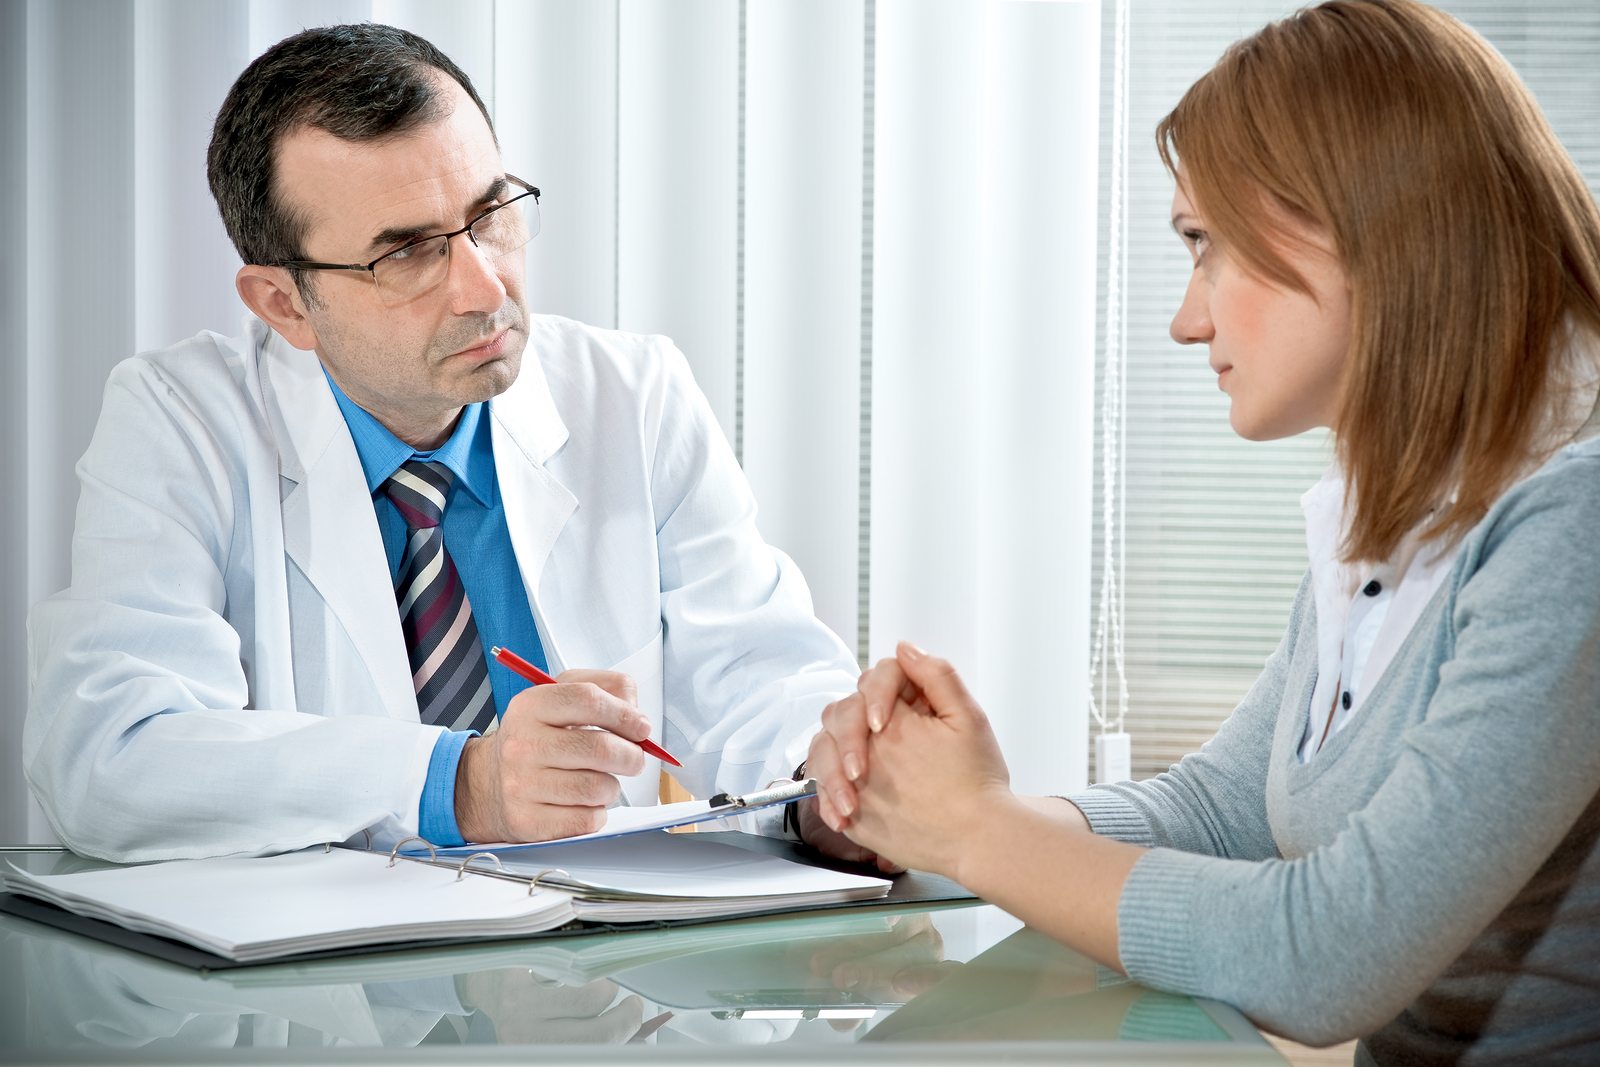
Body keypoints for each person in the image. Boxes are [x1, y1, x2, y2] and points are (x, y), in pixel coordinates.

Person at [807, 0, 1600, 1061]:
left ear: (1365, 223)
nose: (1187, 316)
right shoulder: (1404, 502)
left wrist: (972, 829)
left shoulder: (1572, 516)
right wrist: (928, 811)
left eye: (1204, 244)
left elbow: (1331, 955)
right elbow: (1225, 808)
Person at [24, 23, 872, 866]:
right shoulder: (182, 421)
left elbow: (760, 678)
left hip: (604, 977)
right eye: (408, 252)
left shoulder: (632, 394)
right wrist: (462, 785)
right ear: (283, 304)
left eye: (490, 215)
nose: (484, 285)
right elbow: (109, 759)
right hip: (324, 993)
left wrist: (832, 786)